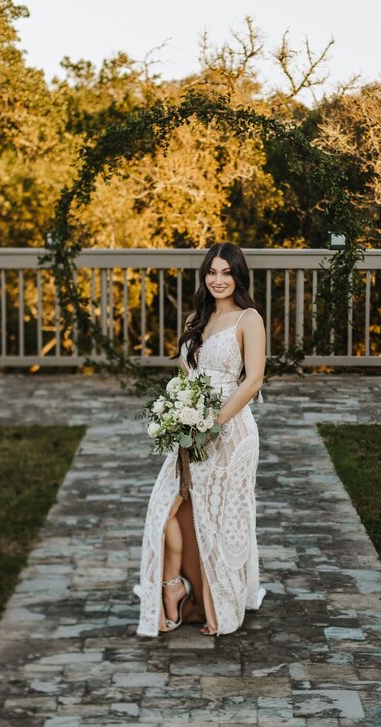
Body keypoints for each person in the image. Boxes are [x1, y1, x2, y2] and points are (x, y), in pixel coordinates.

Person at [133, 242, 266, 637]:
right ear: (205, 275)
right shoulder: (197, 319)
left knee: (220, 519)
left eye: (226, 273)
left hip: (231, 431)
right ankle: (175, 586)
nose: (218, 280)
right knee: (166, 510)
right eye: (212, 272)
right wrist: (176, 417)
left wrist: (214, 424)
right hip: (189, 429)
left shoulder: (249, 319)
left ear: (238, 276)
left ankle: (216, 606)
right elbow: (183, 378)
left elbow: (254, 379)